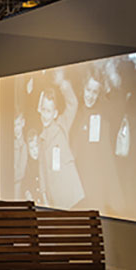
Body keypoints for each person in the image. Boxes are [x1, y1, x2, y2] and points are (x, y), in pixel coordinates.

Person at [70, 67, 124, 213]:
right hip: (75, 182)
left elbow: (106, 155)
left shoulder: (101, 116)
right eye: (88, 90)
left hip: (94, 184)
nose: (90, 96)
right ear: (83, 88)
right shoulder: (75, 111)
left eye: (95, 92)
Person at [37, 74, 84, 208]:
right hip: (55, 200)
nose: (45, 115)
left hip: (72, 197)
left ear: (55, 113)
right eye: (43, 110)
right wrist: (44, 196)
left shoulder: (62, 124)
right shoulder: (41, 138)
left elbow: (73, 104)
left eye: (49, 111)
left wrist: (63, 83)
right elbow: (41, 170)